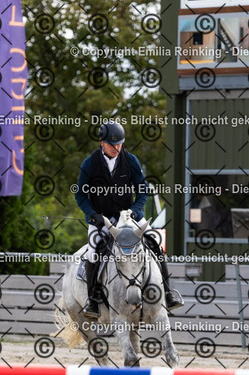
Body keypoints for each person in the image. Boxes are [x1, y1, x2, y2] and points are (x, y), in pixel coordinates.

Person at [75, 120, 184, 318]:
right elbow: (80, 195)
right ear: (101, 142)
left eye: (120, 144)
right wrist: (93, 215)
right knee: (92, 253)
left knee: (155, 242)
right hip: (102, 219)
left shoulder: (131, 160)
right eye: (112, 144)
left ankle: (168, 293)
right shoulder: (89, 164)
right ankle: (92, 300)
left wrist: (133, 211)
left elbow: (142, 192)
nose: (116, 148)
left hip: (129, 217)